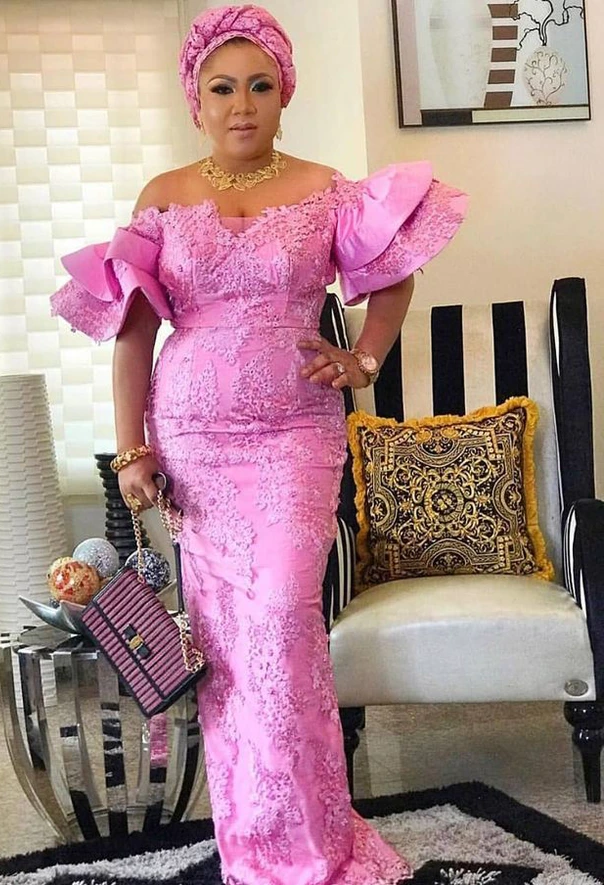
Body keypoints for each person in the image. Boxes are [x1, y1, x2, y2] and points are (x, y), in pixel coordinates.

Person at [51, 5, 467, 883]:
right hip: (192, 444)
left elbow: (394, 274)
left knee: (282, 618)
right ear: (195, 100)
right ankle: (253, 844)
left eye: (259, 86)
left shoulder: (323, 188)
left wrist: (364, 358)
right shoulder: (163, 196)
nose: (241, 104)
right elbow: (133, 335)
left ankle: (313, 842)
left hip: (294, 438)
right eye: (222, 88)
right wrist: (132, 451)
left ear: (285, 95)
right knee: (228, 644)